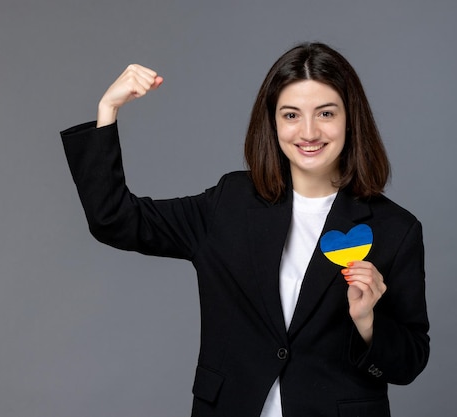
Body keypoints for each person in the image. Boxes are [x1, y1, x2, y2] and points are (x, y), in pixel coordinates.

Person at [60, 42, 429, 417]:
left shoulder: (395, 229)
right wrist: (108, 110)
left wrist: (368, 321)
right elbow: (115, 220)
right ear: (272, 121)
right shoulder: (230, 203)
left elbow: (410, 361)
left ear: (351, 119)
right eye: (290, 115)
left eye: (326, 113)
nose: (308, 131)